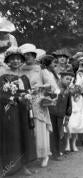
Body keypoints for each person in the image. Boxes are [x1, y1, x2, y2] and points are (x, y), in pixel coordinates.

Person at [0, 47, 36, 176]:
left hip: (24, 111)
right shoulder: (4, 76)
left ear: (21, 60)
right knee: (13, 137)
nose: (15, 61)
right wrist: (15, 98)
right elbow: (2, 95)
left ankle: (23, 166)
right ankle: (9, 167)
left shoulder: (25, 77)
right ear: (8, 61)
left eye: (18, 58)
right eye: (12, 59)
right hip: (11, 112)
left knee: (24, 135)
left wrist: (28, 99)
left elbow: (29, 93)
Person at [20, 44, 53, 167]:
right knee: (29, 129)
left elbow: (50, 84)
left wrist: (41, 87)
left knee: (39, 128)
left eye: (30, 55)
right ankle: (30, 156)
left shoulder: (40, 69)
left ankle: (44, 155)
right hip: (24, 101)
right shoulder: (20, 68)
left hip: (38, 101)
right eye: (25, 55)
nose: (27, 57)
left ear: (34, 56)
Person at [48, 69, 73, 158]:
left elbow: (69, 105)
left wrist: (67, 117)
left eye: (70, 80)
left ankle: (57, 152)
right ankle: (52, 152)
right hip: (51, 114)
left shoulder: (68, 92)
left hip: (60, 115)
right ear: (61, 78)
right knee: (52, 133)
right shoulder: (54, 89)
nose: (69, 81)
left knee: (59, 134)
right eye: (67, 79)